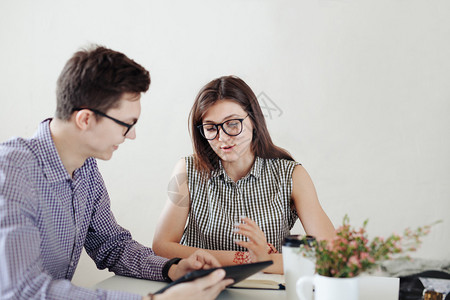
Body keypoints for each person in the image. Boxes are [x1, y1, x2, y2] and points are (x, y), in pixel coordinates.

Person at [0, 46, 233, 300]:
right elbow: (23, 290)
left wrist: (173, 269)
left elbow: (112, 245)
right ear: (85, 119)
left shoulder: (86, 168)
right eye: (126, 125)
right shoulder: (11, 172)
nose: (132, 135)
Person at [153, 75, 336, 274]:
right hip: (204, 288)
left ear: (254, 120)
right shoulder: (187, 171)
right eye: (211, 128)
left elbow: (331, 254)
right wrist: (246, 259)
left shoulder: (291, 175)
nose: (222, 138)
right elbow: (162, 246)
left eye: (232, 123)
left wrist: (264, 260)